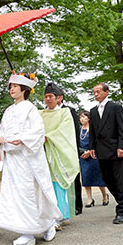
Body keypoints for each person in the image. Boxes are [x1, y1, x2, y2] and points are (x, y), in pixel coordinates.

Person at [0, 73, 62, 245]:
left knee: (29, 193)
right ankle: (39, 226)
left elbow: (38, 131)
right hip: (12, 158)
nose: (11, 89)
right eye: (10, 86)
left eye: (15, 86)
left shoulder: (30, 108)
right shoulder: (8, 111)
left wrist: (23, 139)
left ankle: (32, 231)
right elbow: (1, 130)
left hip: (26, 158)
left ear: (24, 89)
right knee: (15, 194)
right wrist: (0, 138)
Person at [88, 83, 123, 224]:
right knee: (106, 178)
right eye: (94, 92)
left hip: (116, 150)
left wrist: (122, 147)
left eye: (98, 91)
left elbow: (122, 129)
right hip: (101, 150)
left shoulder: (115, 107)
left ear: (107, 92)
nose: (95, 94)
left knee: (120, 179)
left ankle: (122, 211)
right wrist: (92, 147)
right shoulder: (93, 111)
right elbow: (93, 131)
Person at [41, 82, 80, 226]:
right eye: (46, 96)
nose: (48, 99)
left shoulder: (65, 113)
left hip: (58, 153)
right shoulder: (41, 113)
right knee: (47, 184)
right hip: (44, 153)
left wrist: (48, 137)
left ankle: (62, 215)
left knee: (58, 184)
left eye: (50, 96)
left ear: (58, 98)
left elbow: (65, 131)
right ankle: (50, 214)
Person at [55, 88, 83, 216]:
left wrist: (76, 150)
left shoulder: (69, 110)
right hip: (55, 149)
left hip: (69, 147)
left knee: (74, 177)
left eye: (53, 96)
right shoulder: (47, 111)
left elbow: (75, 132)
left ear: (60, 97)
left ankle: (77, 205)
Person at [78, 110, 108, 207]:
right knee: (86, 177)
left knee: (98, 177)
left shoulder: (93, 129)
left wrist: (90, 151)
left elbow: (98, 142)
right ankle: (90, 199)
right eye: (80, 117)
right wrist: (82, 152)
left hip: (93, 155)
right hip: (83, 156)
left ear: (89, 118)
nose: (82, 119)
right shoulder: (79, 130)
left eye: (84, 117)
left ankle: (104, 196)